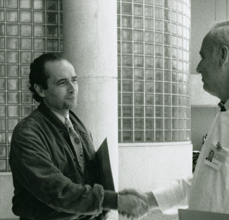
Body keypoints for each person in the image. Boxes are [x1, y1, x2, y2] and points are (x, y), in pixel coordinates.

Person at [122, 20, 229, 219]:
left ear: (223, 55)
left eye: (202, 57)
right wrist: (149, 201)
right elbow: (204, 182)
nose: (198, 67)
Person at [9, 53, 148, 220]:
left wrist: (112, 199)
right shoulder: (27, 133)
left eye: (74, 80)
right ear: (40, 89)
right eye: (62, 83)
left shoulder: (77, 125)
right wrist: (114, 200)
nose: (72, 88)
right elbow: (57, 191)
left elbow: (87, 182)